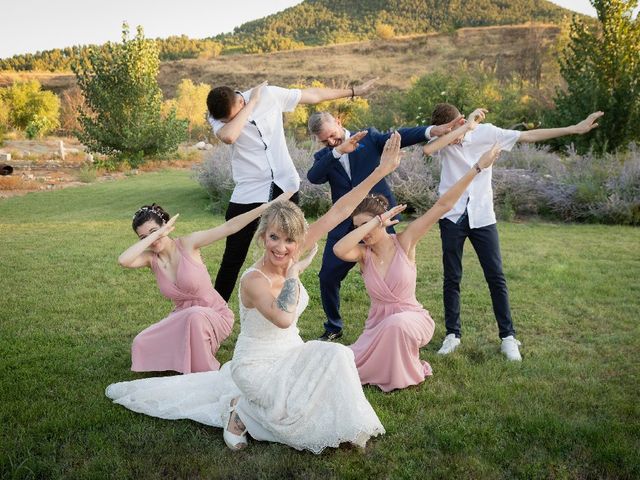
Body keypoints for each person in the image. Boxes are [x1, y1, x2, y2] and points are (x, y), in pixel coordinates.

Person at [106, 132, 404, 453]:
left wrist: (379, 172)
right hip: (256, 368)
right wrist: (293, 273)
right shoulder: (254, 280)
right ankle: (240, 412)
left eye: (290, 241)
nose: (282, 247)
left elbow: (340, 210)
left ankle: (340, 425)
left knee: (339, 354)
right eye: (274, 238)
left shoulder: (294, 247)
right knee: (285, 418)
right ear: (263, 238)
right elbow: (283, 318)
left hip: (290, 352)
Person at [333, 110, 500, 391]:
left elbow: (442, 206)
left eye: (370, 224)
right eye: (359, 227)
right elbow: (339, 249)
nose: (365, 232)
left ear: (385, 221)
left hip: (413, 320)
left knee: (397, 325)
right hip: (377, 327)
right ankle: (379, 363)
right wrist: (371, 223)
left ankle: (401, 373)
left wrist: (477, 168)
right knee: (342, 361)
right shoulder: (362, 255)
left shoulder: (404, 241)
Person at [426, 104, 604, 361]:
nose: (458, 133)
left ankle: (507, 337)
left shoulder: (486, 133)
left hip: (483, 215)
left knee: (496, 276)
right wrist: (464, 127)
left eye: (459, 126)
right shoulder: (442, 140)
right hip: (451, 215)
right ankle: (452, 335)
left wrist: (573, 129)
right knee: (452, 277)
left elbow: (528, 136)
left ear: (461, 119)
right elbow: (428, 148)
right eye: (451, 129)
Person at [207, 79, 377, 303]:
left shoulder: (269, 95)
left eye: (233, 115)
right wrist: (251, 103)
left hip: (285, 186)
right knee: (233, 257)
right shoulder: (217, 112)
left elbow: (314, 95)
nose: (230, 120)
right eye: (227, 119)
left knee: (288, 251)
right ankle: (214, 315)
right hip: (249, 191)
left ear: (239, 99)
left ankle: (283, 302)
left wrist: (355, 91)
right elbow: (228, 136)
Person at [306, 111, 462, 341]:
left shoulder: (369, 138)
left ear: (339, 122)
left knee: (392, 274)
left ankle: (398, 319)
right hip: (343, 227)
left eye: (332, 136)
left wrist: (432, 131)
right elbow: (313, 177)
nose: (330, 142)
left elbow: (400, 136)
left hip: (378, 220)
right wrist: (338, 151)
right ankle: (334, 326)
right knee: (327, 276)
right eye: (325, 141)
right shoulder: (326, 156)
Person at [118, 192, 291, 373]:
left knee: (195, 316)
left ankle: (205, 371)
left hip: (214, 314)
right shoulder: (150, 259)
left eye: (154, 231)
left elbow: (230, 227)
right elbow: (123, 260)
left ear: (165, 225)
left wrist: (266, 207)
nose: (151, 241)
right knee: (140, 342)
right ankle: (185, 352)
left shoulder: (187, 244)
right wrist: (156, 235)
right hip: (181, 317)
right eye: (143, 238)